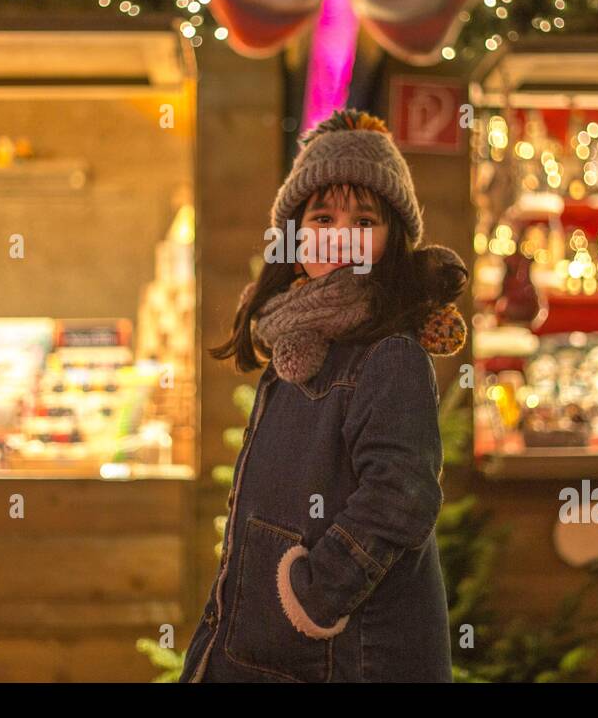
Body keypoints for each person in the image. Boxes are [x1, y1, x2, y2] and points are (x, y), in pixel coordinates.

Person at [179, 109, 468, 682]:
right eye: (323, 216)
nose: (340, 235)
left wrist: (313, 598)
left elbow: (401, 495)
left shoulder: (389, 353)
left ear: (392, 241)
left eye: (364, 221)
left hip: (348, 658)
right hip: (265, 651)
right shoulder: (296, 342)